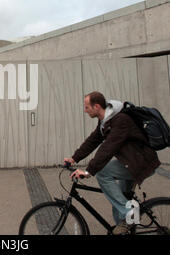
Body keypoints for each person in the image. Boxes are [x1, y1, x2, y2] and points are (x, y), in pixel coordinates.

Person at [64, 91, 160, 235]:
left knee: (103, 173)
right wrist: (74, 158)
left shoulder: (120, 120)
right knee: (118, 199)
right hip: (130, 162)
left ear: (96, 106)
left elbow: (108, 147)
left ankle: (130, 214)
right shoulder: (105, 120)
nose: (85, 110)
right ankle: (124, 229)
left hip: (140, 163)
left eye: (86, 107)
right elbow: (93, 140)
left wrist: (88, 171)